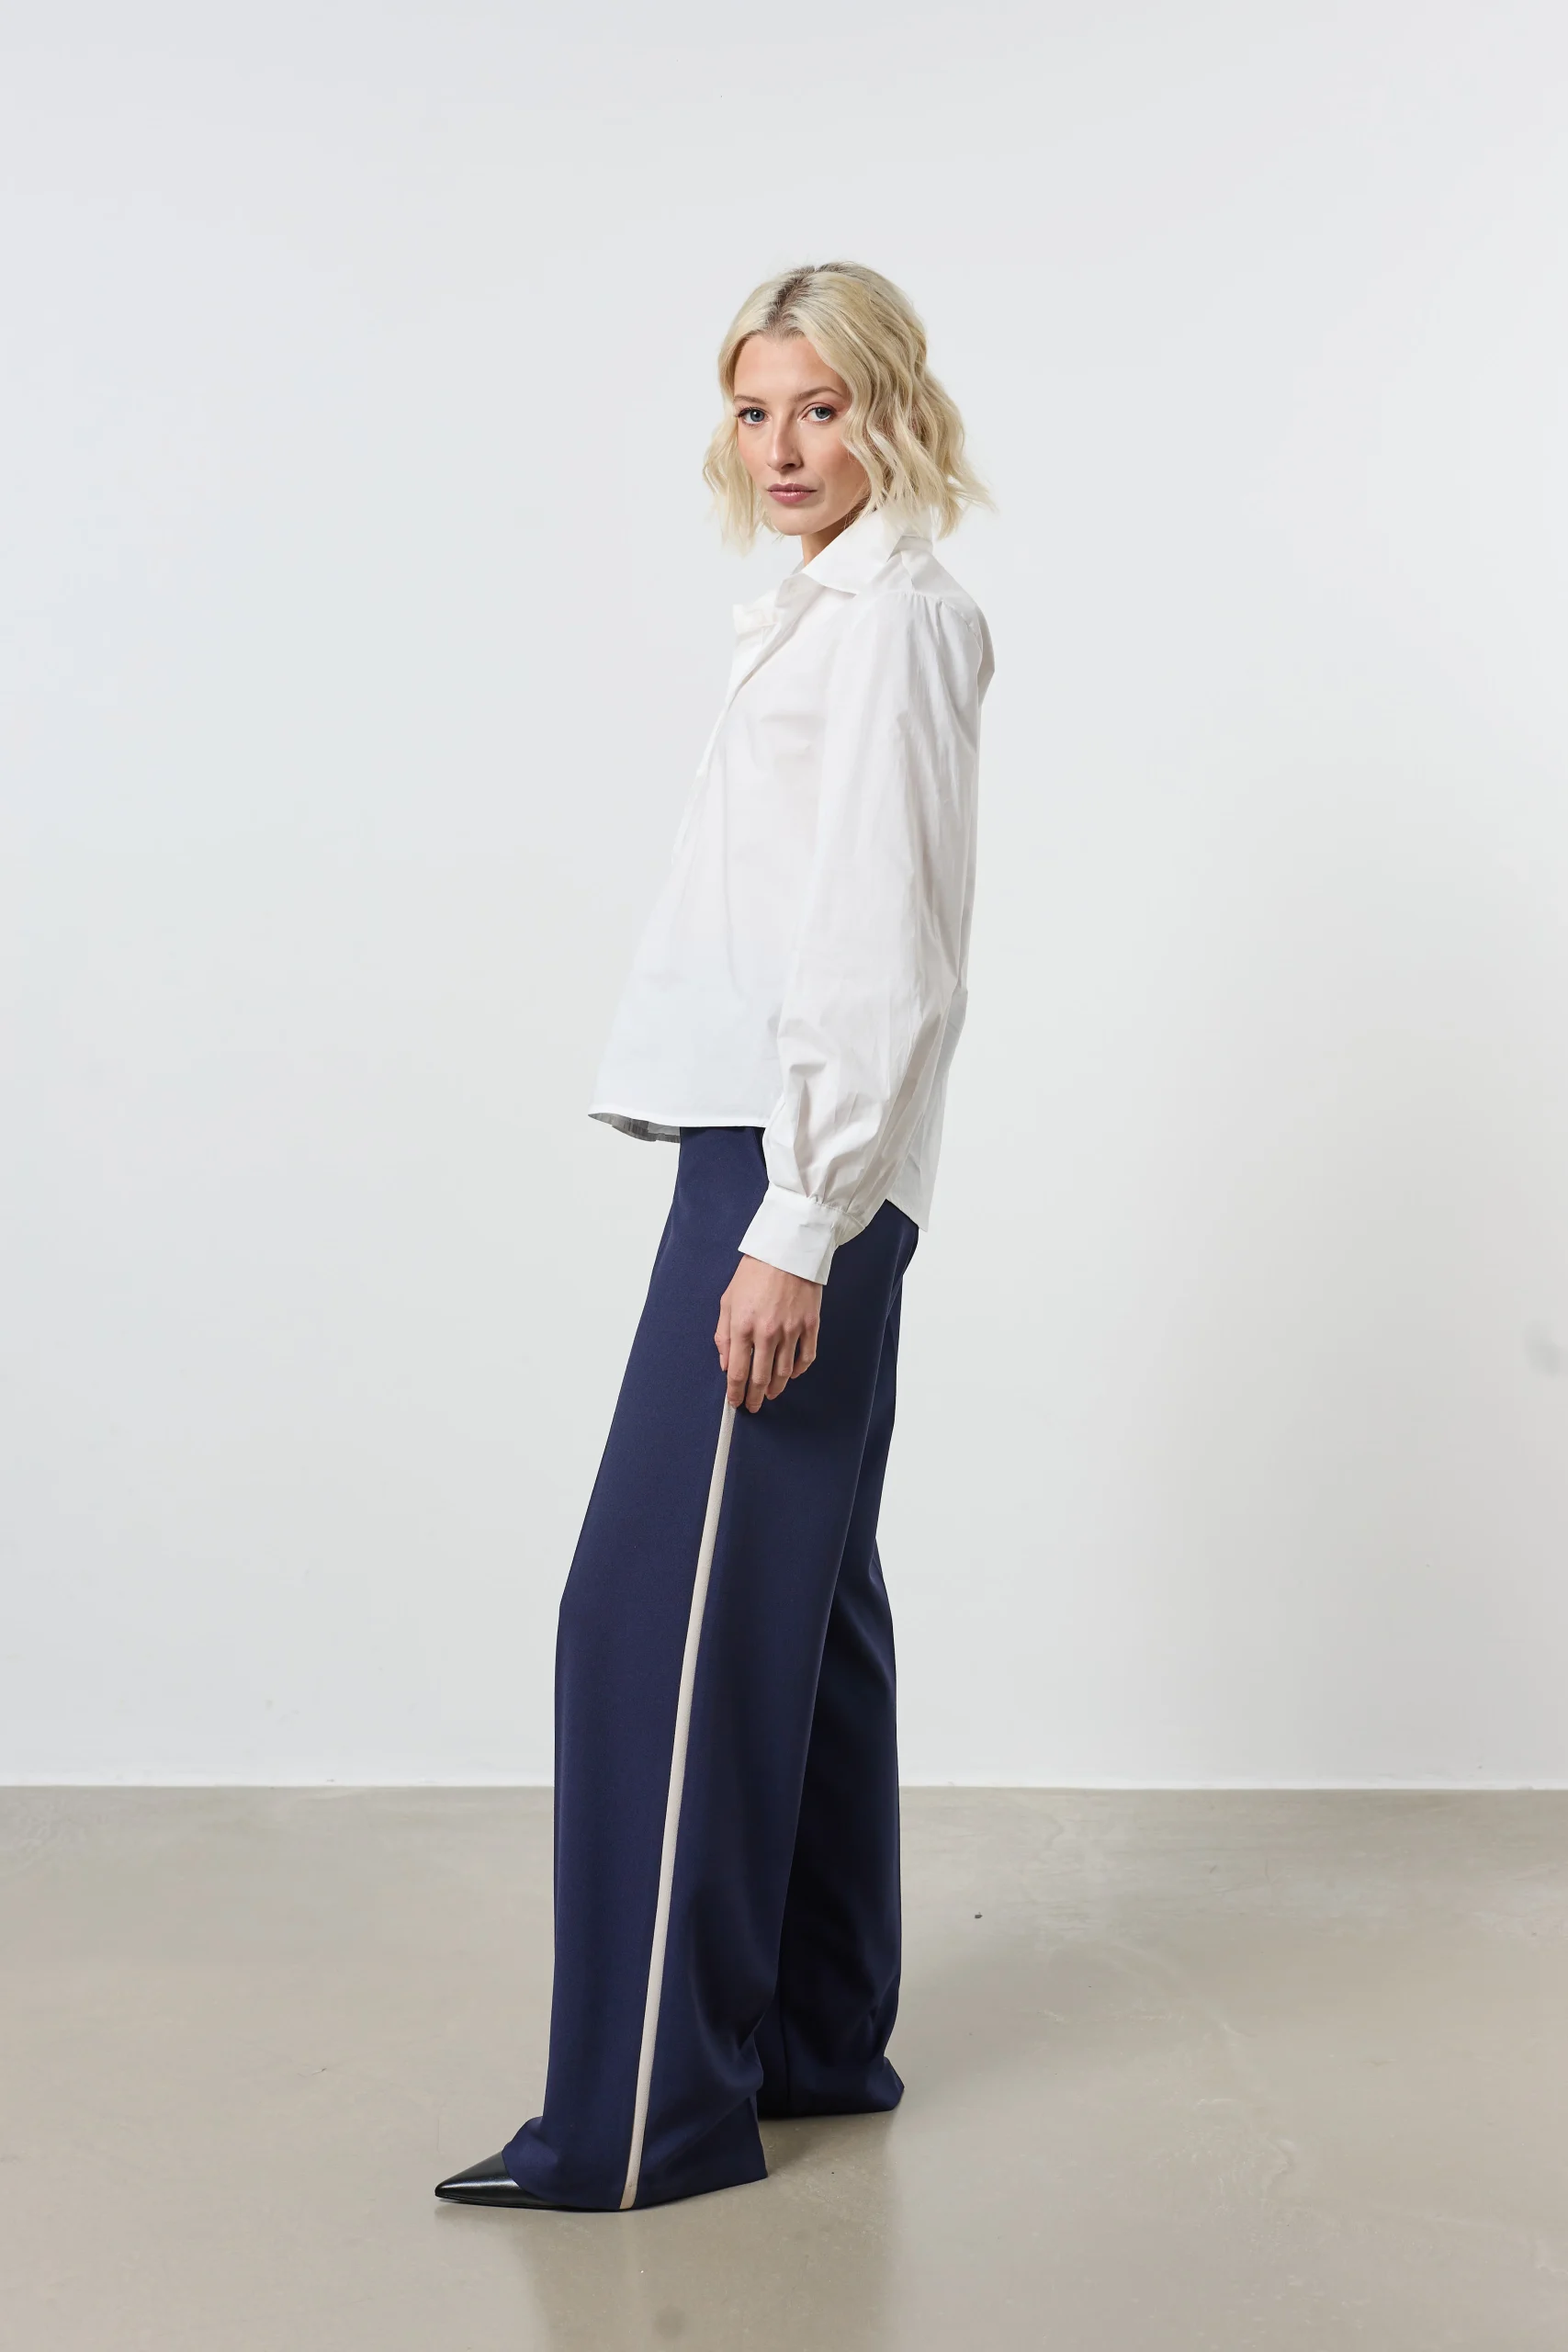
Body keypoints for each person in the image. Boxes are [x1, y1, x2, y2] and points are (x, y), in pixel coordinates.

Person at [436, 261, 994, 2213]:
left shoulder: (894, 622)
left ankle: (639, 2123)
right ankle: (814, 2038)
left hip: (788, 1168)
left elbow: (882, 945)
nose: (783, 446)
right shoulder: (824, 609)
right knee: (799, 1606)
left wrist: (797, 1219)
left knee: (646, 1622)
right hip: (770, 1156)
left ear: (890, 410)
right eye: (755, 410)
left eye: (822, 407)